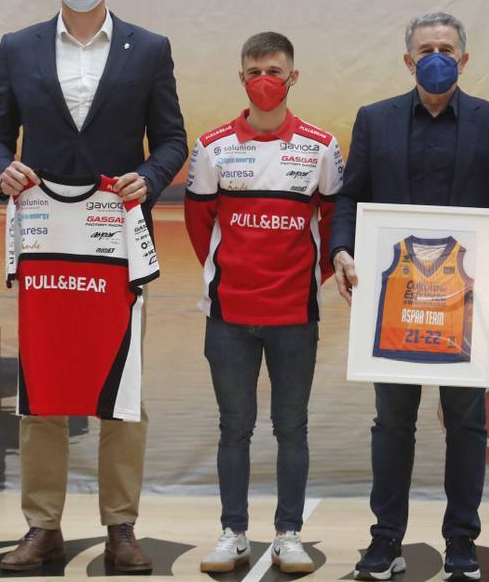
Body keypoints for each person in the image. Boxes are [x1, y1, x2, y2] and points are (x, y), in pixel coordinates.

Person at [0, 0, 187, 573]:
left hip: (115, 240)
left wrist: (148, 180)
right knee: (40, 388)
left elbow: (173, 142)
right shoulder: (19, 47)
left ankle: (121, 527)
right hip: (43, 243)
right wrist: (0, 170)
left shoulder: (149, 49)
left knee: (122, 387)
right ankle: (43, 527)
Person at [331, 12, 489, 582]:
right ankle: (385, 539)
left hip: (463, 305)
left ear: (463, 60)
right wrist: (342, 250)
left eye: (446, 48)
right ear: (408, 59)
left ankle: (461, 541)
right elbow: (351, 197)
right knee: (393, 423)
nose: (436, 56)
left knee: (466, 423)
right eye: (426, 49)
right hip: (395, 301)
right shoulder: (376, 120)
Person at [184, 32, 344, 575]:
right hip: (228, 315)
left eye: (273, 70)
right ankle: (233, 533)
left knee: (291, 427)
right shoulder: (211, 147)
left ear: (293, 77)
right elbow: (199, 223)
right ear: (241, 78)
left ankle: (289, 535)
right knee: (234, 426)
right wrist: (232, 274)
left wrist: (308, 277)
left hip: (295, 315)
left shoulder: (322, 147)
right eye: (253, 71)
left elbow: (332, 223)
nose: (263, 80)